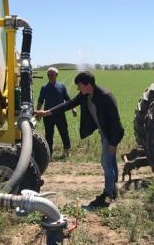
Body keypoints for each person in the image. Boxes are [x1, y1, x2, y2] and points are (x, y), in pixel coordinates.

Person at [37, 70, 124, 208]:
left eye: (79, 85)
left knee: (106, 162)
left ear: (88, 84)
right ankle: (113, 191)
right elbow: (68, 104)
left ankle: (108, 194)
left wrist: (113, 143)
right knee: (110, 162)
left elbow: (116, 123)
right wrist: (46, 112)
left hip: (111, 134)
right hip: (104, 133)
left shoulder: (106, 97)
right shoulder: (85, 95)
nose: (78, 88)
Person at [36, 67, 76, 157]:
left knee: (64, 132)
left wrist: (73, 109)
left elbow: (68, 99)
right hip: (47, 115)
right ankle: (49, 153)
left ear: (56, 75)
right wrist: (38, 113)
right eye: (48, 74)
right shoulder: (44, 88)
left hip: (60, 114)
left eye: (52, 74)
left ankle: (67, 150)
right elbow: (40, 101)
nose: (50, 76)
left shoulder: (62, 86)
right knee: (49, 134)